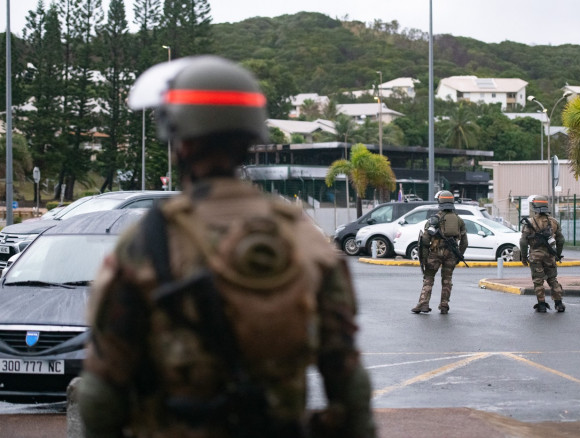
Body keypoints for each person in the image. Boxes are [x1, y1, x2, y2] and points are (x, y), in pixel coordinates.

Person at [78, 55, 376, 438]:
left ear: (180, 142)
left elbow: (102, 391)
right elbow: (348, 381)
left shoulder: (148, 241)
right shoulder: (303, 238)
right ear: (251, 139)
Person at [411, 191, 468, 315]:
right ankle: (444, 305)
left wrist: (424, 258)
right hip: (452, 254)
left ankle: (423, 304)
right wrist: (459, 255)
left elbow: (425, 240)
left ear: (440, 202)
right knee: (447, 280)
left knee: (428, 278)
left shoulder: (434, 219)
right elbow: (464, 242)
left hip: (435, 253)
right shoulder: (459, 220)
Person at [519, 195, 566, 313]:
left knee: (538, 281)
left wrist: (524, 257)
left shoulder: (530, 222)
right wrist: (557, 254)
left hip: (535, 256)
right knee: (552, 279)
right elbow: (561, 240)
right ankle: (559, 303)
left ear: (534, 207)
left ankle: (541, 305)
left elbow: (523, 241)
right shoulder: (554, 222)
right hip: (550, 256)